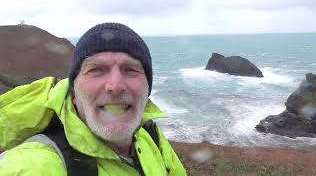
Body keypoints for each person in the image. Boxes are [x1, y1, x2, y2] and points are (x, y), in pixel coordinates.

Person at [0, 23, 187, 175]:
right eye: (96, 70)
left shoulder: (151, 137)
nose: (115, 86)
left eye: (130, 69)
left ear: (147, 90)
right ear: (74, 94)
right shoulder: (32, 166)